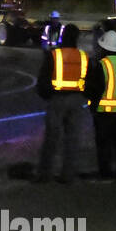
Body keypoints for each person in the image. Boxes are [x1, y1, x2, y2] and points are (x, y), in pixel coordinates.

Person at [34, 24, 90, 184]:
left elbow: (43, 79)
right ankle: (68, 175)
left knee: (52, 138)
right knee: (72, 139)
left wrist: (47, 95)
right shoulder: (83, 57)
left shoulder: (54, 55)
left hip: (57, 99)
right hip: (76, 100)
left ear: (63, 36)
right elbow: (89, 80)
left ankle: (45, 174)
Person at [85, 30, 116, 182]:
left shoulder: (103, 65)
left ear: (105, 48)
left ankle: (105, 174)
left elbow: (95, 89)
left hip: (104, 110)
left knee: (104, 143)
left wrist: (92, 106)